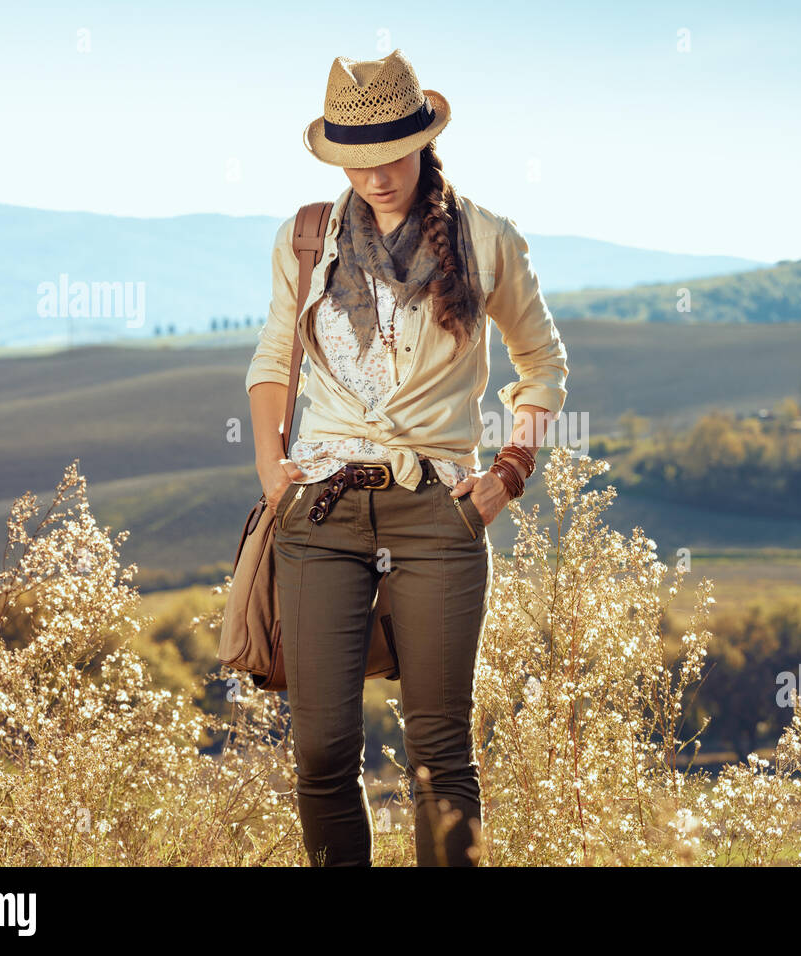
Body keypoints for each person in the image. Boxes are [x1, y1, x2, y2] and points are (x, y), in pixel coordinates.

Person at [244, 48, 569, 866]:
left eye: (390, 155)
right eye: (356, 161)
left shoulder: (487, 239)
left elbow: (543, 366)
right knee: (319, 751)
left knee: (439, 755)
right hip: (318, 510)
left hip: (438, 510)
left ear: (424, 141)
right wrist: (268, 466)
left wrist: (508, 475)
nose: (376, 176)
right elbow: (271, 359)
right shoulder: (306, 239)